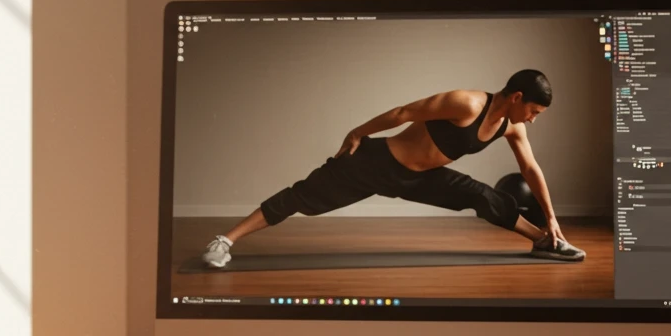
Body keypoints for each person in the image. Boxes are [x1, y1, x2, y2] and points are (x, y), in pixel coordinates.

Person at [200, 69, 587, 269]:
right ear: (518, 97)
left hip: (422, 178)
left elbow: (531, 169)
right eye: (534, 111)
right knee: (303, 198)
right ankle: (225, 241)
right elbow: (404, 111)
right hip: (376, 164)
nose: (533, 120)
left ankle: (544, 240)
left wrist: (551, 218)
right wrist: (357, 132)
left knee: (482, 195)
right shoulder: (466, 103)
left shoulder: (511, 126)